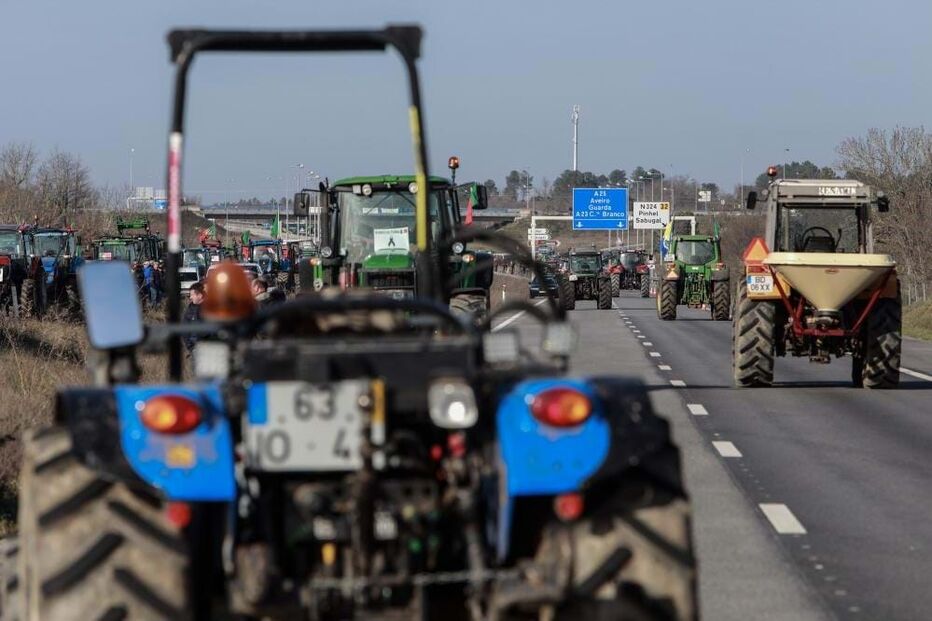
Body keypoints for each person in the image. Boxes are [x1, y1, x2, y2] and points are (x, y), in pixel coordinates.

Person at [183, 281, 205, 352]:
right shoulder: (190, 309)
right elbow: (185, 330)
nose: (190, 297)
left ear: (200, 295)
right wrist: (191, 348)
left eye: (192, 295)